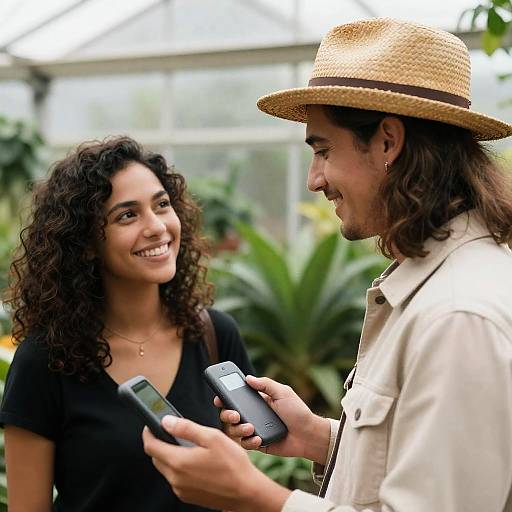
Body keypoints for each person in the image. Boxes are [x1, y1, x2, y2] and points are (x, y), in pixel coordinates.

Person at [141, 17, 512, 512]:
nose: (314, 179)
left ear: (387, 142)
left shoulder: (459, 317)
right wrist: (319, 438)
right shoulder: (441, 287)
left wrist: (257, 496)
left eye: (322, 150)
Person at [0, 136, 254, 512]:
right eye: (127, 215)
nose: (157, 227)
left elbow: (233, 488)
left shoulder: (215, 335)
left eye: (162, 205)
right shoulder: (45, 361)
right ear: (85, 243)